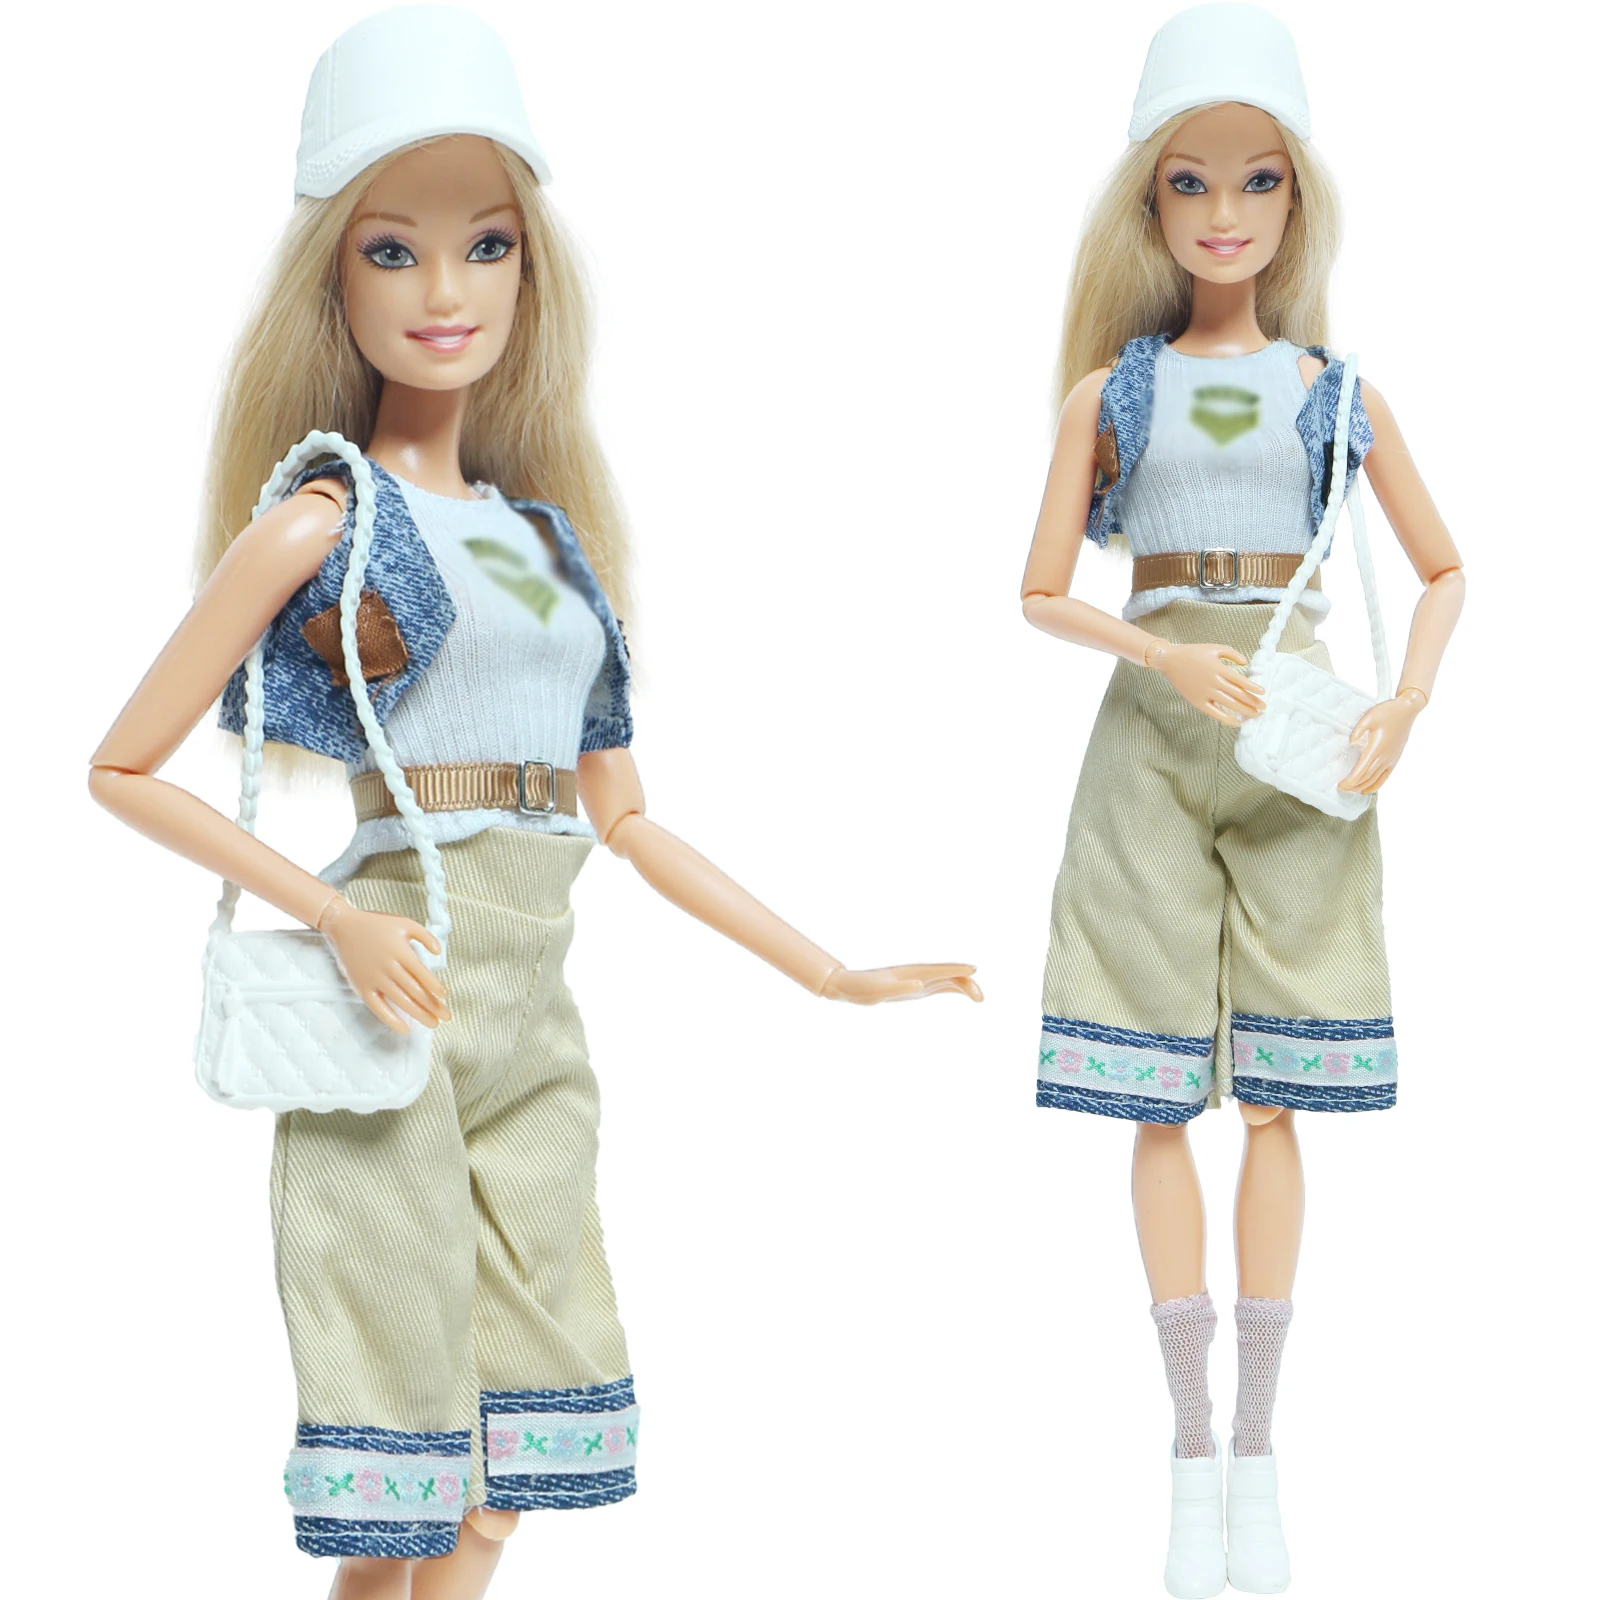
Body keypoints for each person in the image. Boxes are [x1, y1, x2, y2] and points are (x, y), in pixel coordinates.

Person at [88, 9, 977, 1597]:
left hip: (536, 1010)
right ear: (334, 280)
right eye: (395, 250)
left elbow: (624, 816)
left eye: (485, 246)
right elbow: (120, 766)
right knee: (406, 1466)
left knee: (507, 1471)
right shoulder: (322, 520)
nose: (446, 291)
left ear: (528, 271)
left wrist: (826, 967)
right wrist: (337, 915)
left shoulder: (553, 538)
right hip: (396, 985)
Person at [1019, 5, 1463, 1595]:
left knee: (1276, 1091)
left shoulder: (1339, 392)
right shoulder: (1112, 395)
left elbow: (1445, 567)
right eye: (1191, 183)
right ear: (1150, 204)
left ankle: (1260, 1444)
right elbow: (1039, 591)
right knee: (1156, 1093)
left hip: (1296, 740)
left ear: (1296, 197)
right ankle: (1187, 1438)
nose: (1224, 213)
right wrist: (1159, 651)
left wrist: (1406, 701)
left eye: (1256, 180)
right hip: (1152, 737)